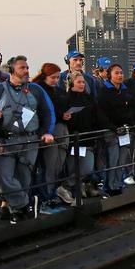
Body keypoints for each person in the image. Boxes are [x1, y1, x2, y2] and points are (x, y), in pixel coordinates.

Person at [0, 55, 55, 222]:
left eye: (27, 67)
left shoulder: (36, 90)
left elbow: (47, 111)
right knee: (3, 176)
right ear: (12, 70)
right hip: (6, 141)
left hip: (29, 140)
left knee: (24, 177)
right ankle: (25, 203)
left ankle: (18, 211)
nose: (27, 71)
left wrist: (47, 131)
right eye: (23, 68)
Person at [56, 70, 107, 203]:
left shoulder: (89, 98)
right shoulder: (66, 99)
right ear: (72, 83)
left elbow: (97, 116)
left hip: (88, 139)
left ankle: (66, 186)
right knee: (73, 167)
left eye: (83, 82)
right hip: (73, 139)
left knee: (86, 167)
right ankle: (74, 190)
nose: (82, 84)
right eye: (79, 82)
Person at [31, 63, 66, 212]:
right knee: (47, 167)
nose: (56, 80)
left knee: (56, 165)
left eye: (58, 77)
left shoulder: (57, 90)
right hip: (46, 132)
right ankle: (45, 198)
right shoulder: (38, 90)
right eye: (53, 77)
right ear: (45, 76)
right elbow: (44, 112)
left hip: (58, 128)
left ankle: (50, 195)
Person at [97, 63, 134, 193]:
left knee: (122, 159)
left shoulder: (125, 90)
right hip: (111, 131)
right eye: (116, 73)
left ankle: (118, 184)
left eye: (121, 73)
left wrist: (129, 124)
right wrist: (112, 127)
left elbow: (130, 109)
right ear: (110, 75)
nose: (120, 75)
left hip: (124, 130)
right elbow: (101, 112)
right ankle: (110, 186)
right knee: (112, 159)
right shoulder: (104, 91)